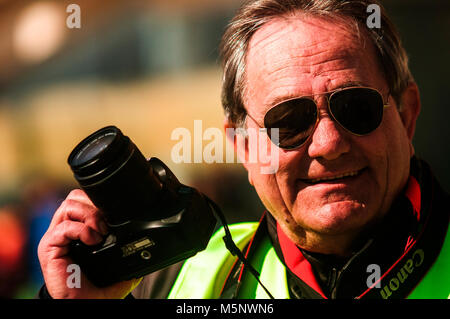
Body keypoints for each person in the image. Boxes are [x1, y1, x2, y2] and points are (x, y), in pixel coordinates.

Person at [37, 0, 449, 299]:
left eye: (356, 108)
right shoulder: (175, 281)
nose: (329, 145)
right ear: (242, 146)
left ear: (408, 114)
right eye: (288, 122)